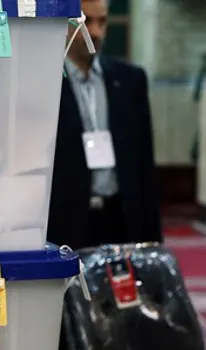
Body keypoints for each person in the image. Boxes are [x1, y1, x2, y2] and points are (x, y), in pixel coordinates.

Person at [48, 0, 162, 249]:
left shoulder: (130, 81)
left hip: (120, 216)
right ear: (65, 25)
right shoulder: (45, 83)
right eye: (86, 22)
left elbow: (143, 163)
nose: (96, 32)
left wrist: (153, 240)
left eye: (102, 22)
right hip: (66, 220)